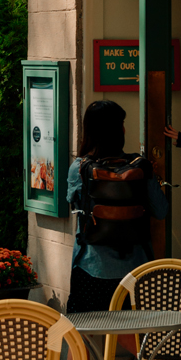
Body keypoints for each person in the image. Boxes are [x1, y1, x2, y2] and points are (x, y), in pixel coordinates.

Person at [65, 98, 168, 314]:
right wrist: (151, 177)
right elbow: (161, 211)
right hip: (135, 270)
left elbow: (73, 203)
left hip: (91, 266)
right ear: (119, 129)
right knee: (130, 332)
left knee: (81, 333)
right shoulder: (139, 167)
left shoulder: (80, 168)